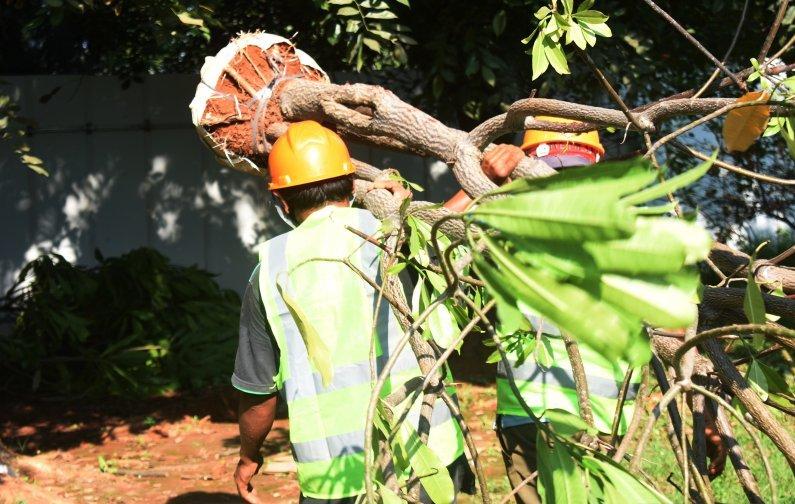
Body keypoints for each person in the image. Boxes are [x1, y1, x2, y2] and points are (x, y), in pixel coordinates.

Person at [446, 116, 726, 503]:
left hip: (589, 424)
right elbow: (432, 241)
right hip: (538, 420)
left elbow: (672, 331)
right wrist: (481, 179)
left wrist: (704, 416)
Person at [231, 120, 481, 503]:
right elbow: (453, 236)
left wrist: (249, 456)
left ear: (282, 201)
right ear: (352, 186)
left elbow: (257, 392)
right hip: (427, 456)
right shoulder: (398, 235)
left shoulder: (270, 268)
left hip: (336, 476)